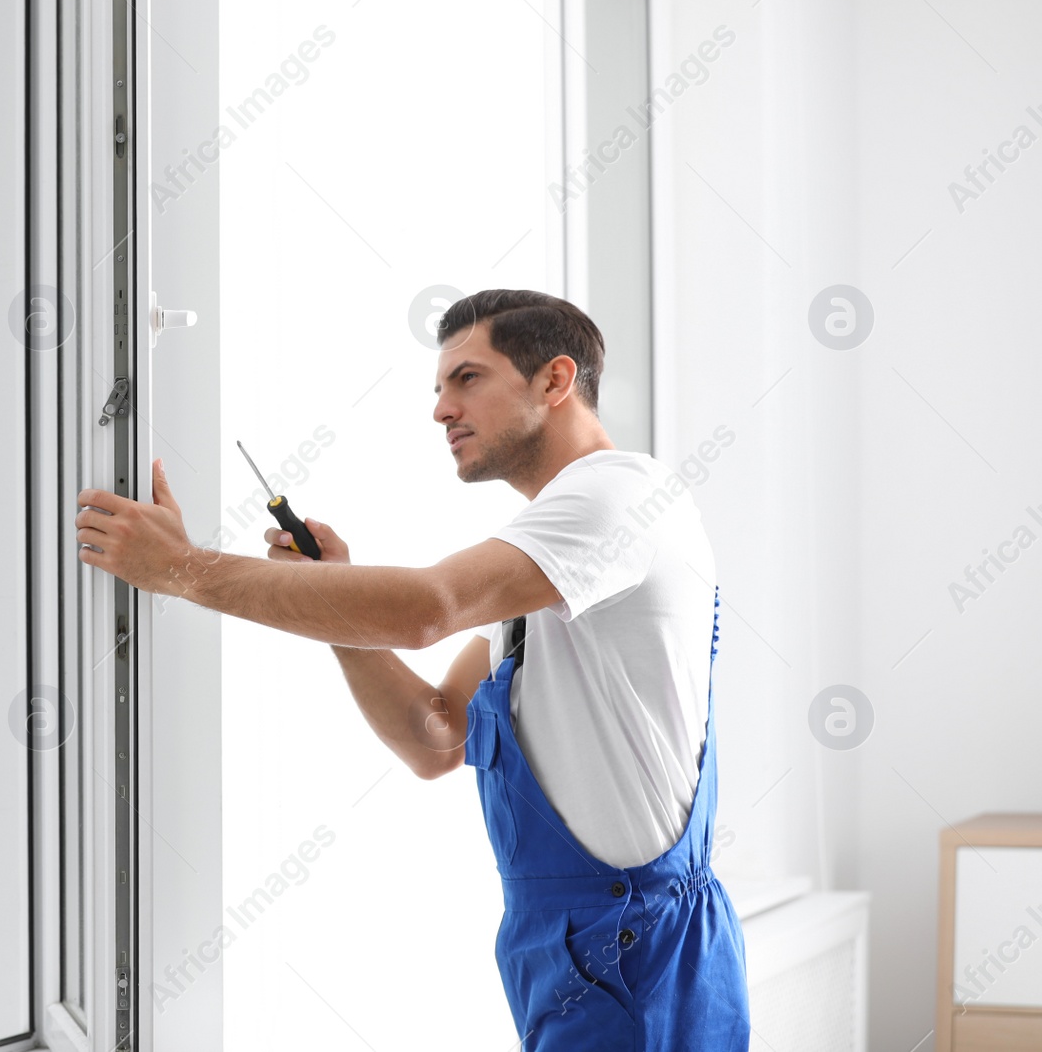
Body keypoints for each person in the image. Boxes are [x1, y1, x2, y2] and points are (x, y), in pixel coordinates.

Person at [75, 288, 750, 1050]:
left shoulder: (619, 496)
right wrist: (337, 608)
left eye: (467, 378)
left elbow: (427, 609)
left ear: (555, 381)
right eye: (438, 387)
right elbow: (435, 734)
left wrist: (184, 570)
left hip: (637, 954)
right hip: (574, 953)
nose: (440, 409)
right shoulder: (552, 575)